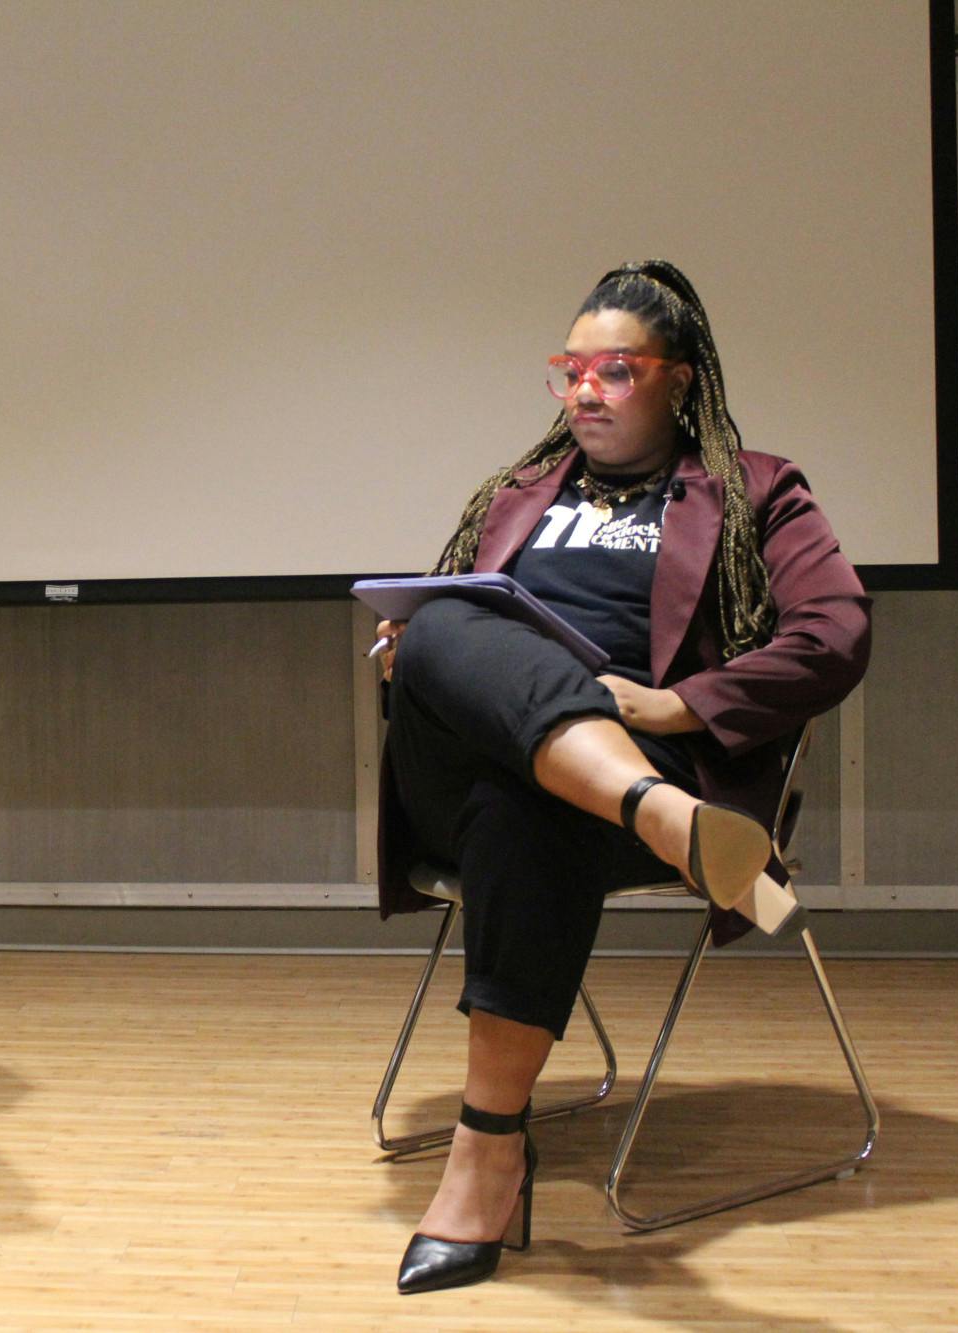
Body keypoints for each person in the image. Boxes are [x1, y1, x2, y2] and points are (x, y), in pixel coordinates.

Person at [371, 260, 870, 1295]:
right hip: (549, 784)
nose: (583, 392)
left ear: (678, 381)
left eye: (614, 369)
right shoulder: (511, 496)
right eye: (568, 371)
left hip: (622, 764)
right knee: (445, 626)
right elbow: (437, 635)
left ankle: (487, 1152)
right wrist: (404, 650)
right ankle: (663, 819)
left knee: (525, 805)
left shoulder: (755, 492)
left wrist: (676, 705)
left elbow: (836, 633)